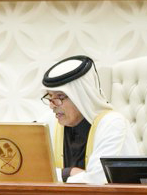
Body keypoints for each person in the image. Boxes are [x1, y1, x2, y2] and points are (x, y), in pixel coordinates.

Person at [42, 54, 139, 184]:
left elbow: (97, 180)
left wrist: (60, 174)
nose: (52, 105)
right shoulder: (50, 122)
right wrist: (69, 172)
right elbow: (29, 171)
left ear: (80, 96)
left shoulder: (113, 124)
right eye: (50, 97)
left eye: (60, 96)